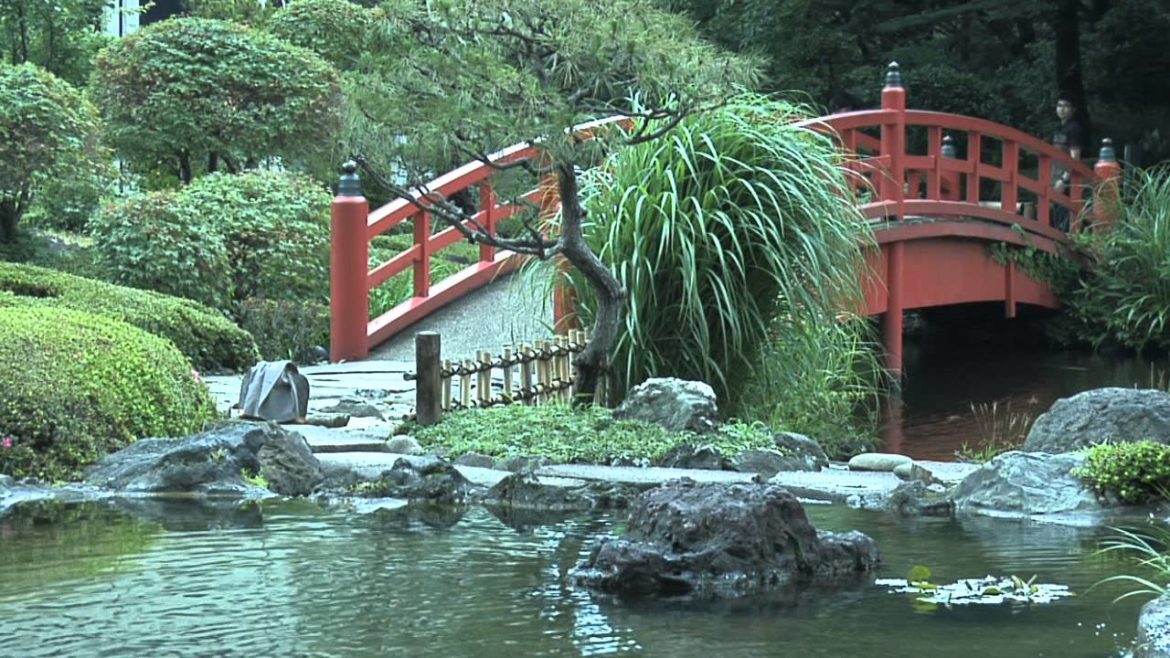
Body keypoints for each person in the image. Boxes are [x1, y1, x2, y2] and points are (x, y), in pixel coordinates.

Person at [1050, 98, 1084, 231]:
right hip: (1055, 175)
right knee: (1057, 212)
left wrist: (1064, 179)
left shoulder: (1074, 129)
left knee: (1064, 213)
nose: (1062, 109)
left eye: (1066, 106)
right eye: (1059, 105)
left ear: (1073, 109)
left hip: (1066, 177)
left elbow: (1075, 158)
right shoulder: (1058, 128)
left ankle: (1064, 242)